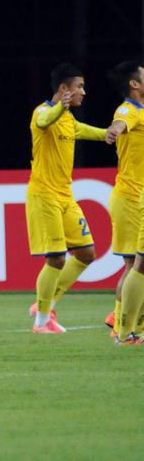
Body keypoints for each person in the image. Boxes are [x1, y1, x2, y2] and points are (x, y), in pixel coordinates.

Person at [25, 63, 114, 334]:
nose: (83, 92)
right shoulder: (43, 112)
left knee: (86, 253)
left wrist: (109, 134)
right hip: (44, 195)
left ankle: (46, 303)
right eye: (79, 87)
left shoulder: (68, 119)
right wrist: (59, 107)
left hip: (65, 195)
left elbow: (82, 130)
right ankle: (42, 321)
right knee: (56, 258)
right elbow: (43, 121)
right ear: (63, 89)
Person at [105, 61, 144, 343]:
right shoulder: (128, 109)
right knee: (136, 266)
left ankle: (125, 326)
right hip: (132, 197)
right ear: (134, 84)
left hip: (135, 196)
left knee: (135, 266)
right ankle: (124, 330)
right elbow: (120, 121)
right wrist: (114, 130)